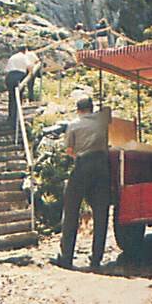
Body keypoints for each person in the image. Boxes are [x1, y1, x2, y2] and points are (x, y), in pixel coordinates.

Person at [51, 96, 112, 270]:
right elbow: (107, 111)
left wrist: (78, 155)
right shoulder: (102, 120)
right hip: (102, 165)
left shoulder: (74, 124)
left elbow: (69, 150)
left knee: (71, 209)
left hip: (83, 164)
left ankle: (66, 257)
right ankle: (96, 259)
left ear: (78, 110)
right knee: (101, 212)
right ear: (91, 108)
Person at [5, 44, 29, 123]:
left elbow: (7, 69)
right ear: (25, 50)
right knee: (18, 97)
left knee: (11, 97)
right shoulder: (24, 56)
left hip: (9, 76)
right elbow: (29, 66)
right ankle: (15, 118)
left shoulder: (13, 57)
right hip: (19, 76)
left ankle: (10, 116)